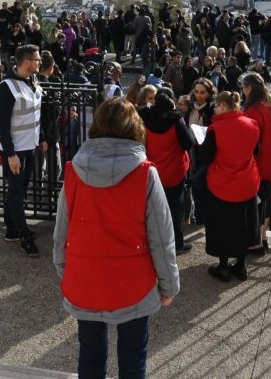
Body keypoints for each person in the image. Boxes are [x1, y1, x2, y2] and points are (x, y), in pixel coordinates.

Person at [53, 96, 180, 379]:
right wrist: (168, 285)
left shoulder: (73, 171)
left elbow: (62, 231)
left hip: (86, 277)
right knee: (134, 358)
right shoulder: (145, 174)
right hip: (132, 279)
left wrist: (65, 272)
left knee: (90, 355)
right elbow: (161, 237)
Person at [200, 91, 260, 281]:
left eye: (216, 106)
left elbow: (206, 157)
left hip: (222, 183)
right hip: (247, 181)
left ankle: (224, 266)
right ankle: (241, 266)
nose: (215, 109)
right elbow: (255, 150)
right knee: (244, 225)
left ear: (223, 106)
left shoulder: (216, 128)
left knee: (222, 226)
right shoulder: (251, 124)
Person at [0, 44, 46, 256]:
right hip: (14, 150)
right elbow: (2, 125)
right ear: (26, 62)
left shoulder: (33, 81)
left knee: (19, 190)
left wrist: (41, 137)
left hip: (29, 146)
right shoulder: (6, 87)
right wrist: (10, 155)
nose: (40, 63)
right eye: (37, 60)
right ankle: (24, 236)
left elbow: (34, 114)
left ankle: (12, 229)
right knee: (17, 193)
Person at [140, 88, 195, 254]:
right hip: (174, 170)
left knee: (151, 208)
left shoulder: (145, 118)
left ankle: (151, 241)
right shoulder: (176, 120)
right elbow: (188, 143)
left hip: (152, 170)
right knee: (174, 209)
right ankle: (177, 243)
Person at [241, 71, 271, 253]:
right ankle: (262, 238)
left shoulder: (253, 110)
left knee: (256, 203)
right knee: (266, 202)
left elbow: (250, 140)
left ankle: (255, 242)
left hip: (259, 163)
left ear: (249, 89)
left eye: (243, 87)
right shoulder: (270, 104)